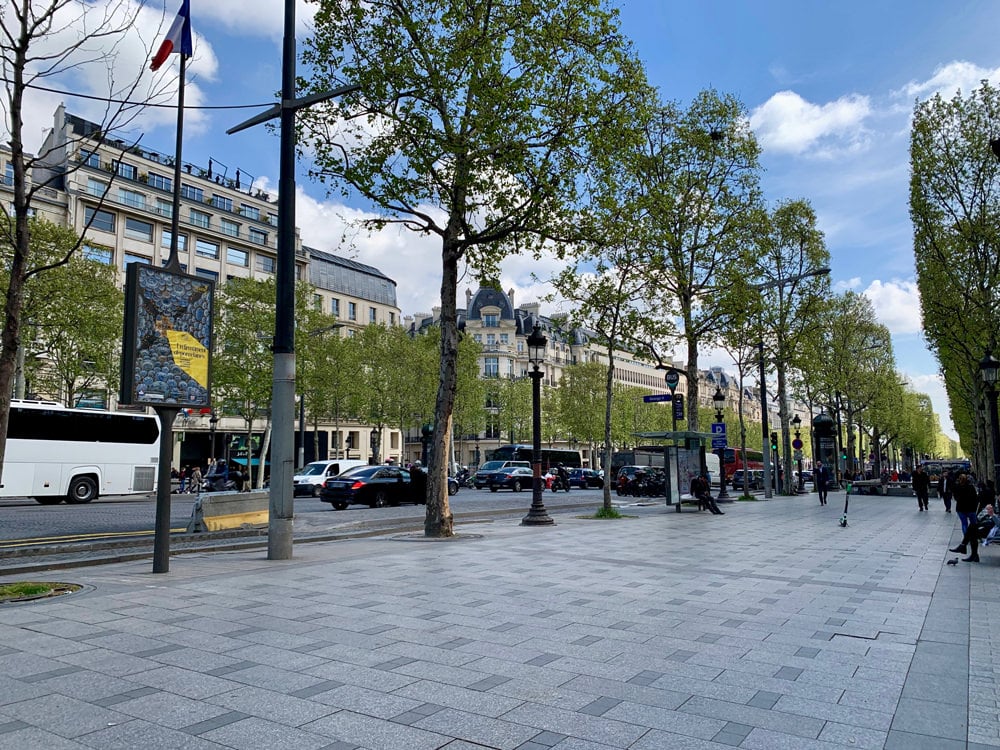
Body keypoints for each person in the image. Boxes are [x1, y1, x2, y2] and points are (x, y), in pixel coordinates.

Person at [953, 473, 978, 537]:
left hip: (960, 508)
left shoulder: (957, 487)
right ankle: (974, 536)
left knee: (964, 524)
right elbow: (975, 497)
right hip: (971, 508)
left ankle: (966, 538)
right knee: (973, 523)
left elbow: (955, 497)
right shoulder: (971, 487)